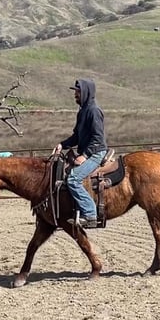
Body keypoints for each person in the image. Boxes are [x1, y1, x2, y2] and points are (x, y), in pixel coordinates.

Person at [53, 78, 108, 228]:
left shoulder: (94, 111)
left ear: (86, 92)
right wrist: (62, 145)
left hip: (96, 152)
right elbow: (77, 137)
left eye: (78, 91)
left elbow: (98, 138)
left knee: (73, 179)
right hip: (89, 151)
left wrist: (85, 155)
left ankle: (90, 214)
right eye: (75, 91)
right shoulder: (82, 111)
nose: (75, 94)